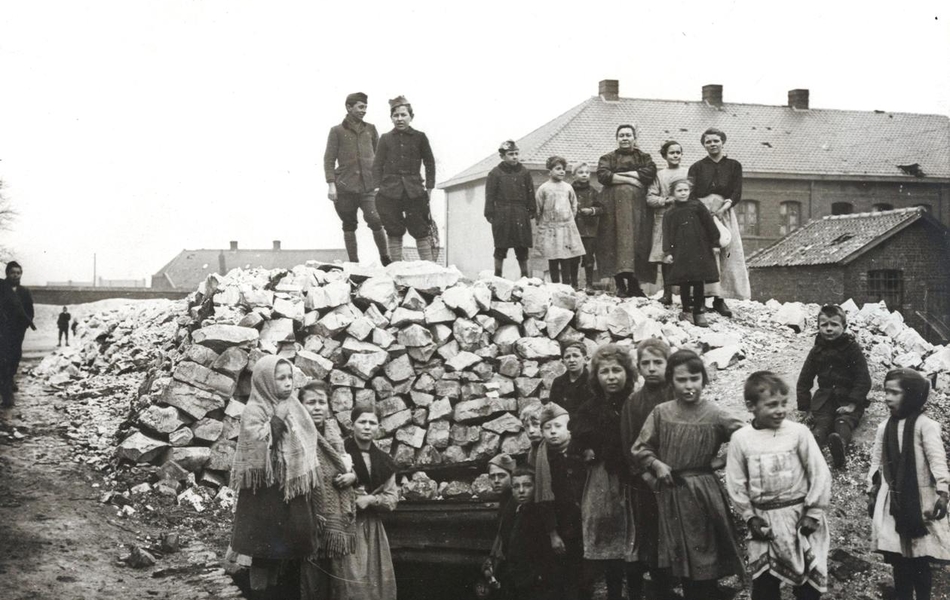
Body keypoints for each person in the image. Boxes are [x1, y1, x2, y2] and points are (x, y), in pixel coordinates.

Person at [632, 350, 745, 600]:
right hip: (672, 492)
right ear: (671, 381)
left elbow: (746, 436)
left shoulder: (715, 413)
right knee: (681, 555)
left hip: (703, 493)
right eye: (682, 380)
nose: (689, 386)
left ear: (703, 380)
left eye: (694, 378)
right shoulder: (661, 412)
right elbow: (640, 447)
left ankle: (708, 592)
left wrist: (723, 459)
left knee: (706, 550)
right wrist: (656, 464)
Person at [726, 371, 831, 600]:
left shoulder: (798, 433)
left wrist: (813, 512)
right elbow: (735, 482)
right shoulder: (741, 439)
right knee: (764, 585)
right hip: (765, 522)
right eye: (772, 405)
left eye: (784, 403)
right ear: (750, 405)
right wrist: (749, 516)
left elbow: (819, 472)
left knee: (807, 585)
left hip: (799, 518)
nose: (780, 410)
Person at [229, 356, 321, 600]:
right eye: (281, 378)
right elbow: (258, 444)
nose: (288, 383)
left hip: (292, 492)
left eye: (290, 377)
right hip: (265, 497)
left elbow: (308, 439)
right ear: (266, 381)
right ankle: (260, 594)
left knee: (292, 550)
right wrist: (277, 419)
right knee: (264, 552)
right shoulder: (254, 409)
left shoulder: (295, 406)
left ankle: (287, 592)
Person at [867, 369, 950, 600]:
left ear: (912, 395)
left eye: (895, 393)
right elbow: (877, 461)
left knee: (920, 559)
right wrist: (871, 490)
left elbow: (937, 460)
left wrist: (943, 491)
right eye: (886, 392)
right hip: (893, 501)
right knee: (899, 558)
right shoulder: (885, 427)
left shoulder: (926, 426)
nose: (887, 398)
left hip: (920, 500)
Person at [570, 344, 639, 600]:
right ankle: (612, 594)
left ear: (628, 373)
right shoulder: (589, 408)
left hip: (634, 480)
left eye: (617, 370)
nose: (611, 377)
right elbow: (577, 441)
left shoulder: (635, 404)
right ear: (596, 377)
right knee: (610, 544)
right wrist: (586, 449)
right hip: (603, 482)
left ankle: (635, 592)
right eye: (605, 371)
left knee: (634, 544)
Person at [620, 339, 676, 600]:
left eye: (658, 362)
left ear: (668, 364)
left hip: (678, 478)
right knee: (653, 538)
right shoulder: (634, 402)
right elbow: (628, 441)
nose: (652, 368)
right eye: (646, 363)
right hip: (646, 483)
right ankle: (660, 586)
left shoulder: (677, 394)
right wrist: (644, 475)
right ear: (639, 368)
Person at [298, 381, 358, 600]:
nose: (317, 407)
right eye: (310, 402)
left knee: (338, 582)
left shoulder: (334, 436)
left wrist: (352, 477)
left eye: (321, 402)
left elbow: (345, 466)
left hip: (337, 523)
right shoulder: (297, 434)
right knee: (311, 581)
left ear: (328, 407)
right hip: (308, 518)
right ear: (301, 406)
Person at [796, 304, 871, 468]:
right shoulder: (816, 351)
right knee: (821, 423)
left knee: (843, 422)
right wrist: (806, 408)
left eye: (834, 324)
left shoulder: (852, 349)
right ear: (818, 327)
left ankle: (839, 446)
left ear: (844, 327)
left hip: (847, 399)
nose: (829, 329)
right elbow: (804, 380)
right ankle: (814, 444)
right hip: (824, 399)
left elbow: (863, 378)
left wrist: (852, 404)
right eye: (824, 325)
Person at [338, 403, 399, 600]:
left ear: (379, 427)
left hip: (372, 529)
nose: (367, 427)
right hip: (344, 527)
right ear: (352, 425)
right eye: (362, 422)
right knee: (349, 581)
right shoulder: (339, 453)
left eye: (372, 423)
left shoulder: (384, 461)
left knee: (376, 583)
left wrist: (371, 499)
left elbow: (391, 499)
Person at [687, 127, 750, 316]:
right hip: (702, 212)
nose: (712, 144)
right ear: (704, 145)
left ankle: (720, 299)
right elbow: (690, 193)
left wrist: (723, 208)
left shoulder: (733, 166)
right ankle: (702, 297)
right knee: (705, 254)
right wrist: (703, 211)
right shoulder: (697, 167)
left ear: (723, 142)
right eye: (708, 142)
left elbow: (736, 191)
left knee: (726, 252)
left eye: (716, 141)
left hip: (725, 212)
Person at [323, 92, 391, 265]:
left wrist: (382, 183)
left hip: (369, 187)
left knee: (376, 220)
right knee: (349, 223)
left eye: (365, 107)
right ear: (349, 107)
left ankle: (386, 259)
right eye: (361, 107)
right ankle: (354, 264)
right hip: (345, 187)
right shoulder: (336, 131)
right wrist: (331, 185)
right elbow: (329, 159)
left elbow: (380, 157)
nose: (364, 111)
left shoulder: (370, 129)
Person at [372, 95, 436, 263]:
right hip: (389, 193)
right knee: (393, 230)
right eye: (396, 115)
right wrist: (378, 188)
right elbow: (377, 165)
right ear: (391, 118)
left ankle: (428, 269)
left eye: (403, 115)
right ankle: (396, 271)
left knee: (421, 229)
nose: (399, 119)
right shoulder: (385, 139)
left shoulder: (420, 137)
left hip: (414, 191)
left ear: (411, 117)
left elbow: (429, 163)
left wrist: (429, 189)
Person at [596, 125, 657, 298]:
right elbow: (603, 175)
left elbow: (649, 173)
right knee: (615, 242)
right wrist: (632, 180)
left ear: (634, 138)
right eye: (621, 135)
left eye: (628, 135)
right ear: (617, 138)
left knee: (637, 243)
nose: (625, 138)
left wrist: (626, 175)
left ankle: (635, 285)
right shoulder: (608, 157)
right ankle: (620, 284)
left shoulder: (643, 157)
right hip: (613, 207)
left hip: (638, 209)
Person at [485, 466, 561, 600]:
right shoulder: (515, 512)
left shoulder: (542, 514)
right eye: (516, 486)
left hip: (537, 584)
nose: (521, 491)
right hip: (518, 580)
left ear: (536, 487)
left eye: (527, 485)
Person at [535, 403, 586, 600]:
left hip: (587, 520)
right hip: (562, 526)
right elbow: (543, 499)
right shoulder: (543, 458)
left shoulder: (581, 452)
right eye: (547, 428)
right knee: (566, 576)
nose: (552, 432)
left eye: (557, 426)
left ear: (568, 428)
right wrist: (553, 533)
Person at [662, 177, 721, 327]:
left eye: (685, 190)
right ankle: (686, 309)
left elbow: (710, 225)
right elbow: (667, 233)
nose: (683, 193)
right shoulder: (670, 212)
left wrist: (715, 243)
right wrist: (668, 252)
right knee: (684, 282)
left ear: (690, 191)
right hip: (681, 251)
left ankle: (699, 311)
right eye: (679, 190)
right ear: (673, 193)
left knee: (698, 280)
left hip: (699, 248)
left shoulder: (697, 206)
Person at [485, 140, 536, 279]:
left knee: (522, 246)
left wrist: (532, 209)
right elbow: (489, 195)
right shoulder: (495, 173)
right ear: (502, 156)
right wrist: (489, 212)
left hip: (520, 211)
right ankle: (498, 275)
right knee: (501, 245)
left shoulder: (524, 172)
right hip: (502, 212)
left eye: (516, 153)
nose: (514, 157)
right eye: (510, 154)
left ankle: (524, 276)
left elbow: (530, 192)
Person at [535, 156, 585, 288]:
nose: (562, 171)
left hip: (566, 227)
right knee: (553, 257)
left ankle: (567, 286)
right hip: (551, 228)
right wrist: (543, 224)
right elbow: (538, 208)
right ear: (549, 171)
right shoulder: (544, 188)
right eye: (558, 169)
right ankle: (556, 286)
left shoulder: (568, 187)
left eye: (563, 169)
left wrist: (569, 220)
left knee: (566, 257)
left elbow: (574, 205)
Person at [646, 141, 685, 305]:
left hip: (684, 219)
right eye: (671, 153)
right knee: (665, 256)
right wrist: (664, 200)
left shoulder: (687, 173)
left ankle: (685, 294)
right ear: (664, 156)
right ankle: (667, 293)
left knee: (683, 256)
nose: (675, 155)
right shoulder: (659, 175)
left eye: (678, 152)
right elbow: (650, 197)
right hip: (664, 219)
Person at [0, 261, 36, 406]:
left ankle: (10, 378)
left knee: (15, 357)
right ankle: (7, 395)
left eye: (18, 273)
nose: (16, 275)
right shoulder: (2, 288)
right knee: (4, 359)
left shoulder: (24, 291)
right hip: (2, 330)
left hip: (17, 330)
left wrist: (25, 325)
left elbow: (29, 311)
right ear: (7, 274)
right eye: (12, 272)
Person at [571, 163, 604, 292]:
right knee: (573, 259)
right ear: (573, 175)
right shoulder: (569, 190)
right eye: (580, 172)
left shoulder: (593, 192)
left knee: (589, 258)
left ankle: (589, 284)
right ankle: (574, 284)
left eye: (587, 172)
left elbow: (602, 208)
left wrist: (591, 210)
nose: (584, 175)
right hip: (573, 230)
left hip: (589, 230)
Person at [547, 341, 590, 415]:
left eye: (576, 356)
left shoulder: (593, 381)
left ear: (585, 359)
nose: (571, 360)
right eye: (567, 357)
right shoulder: (558, 382)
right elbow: (553, 411)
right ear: (563, 362)